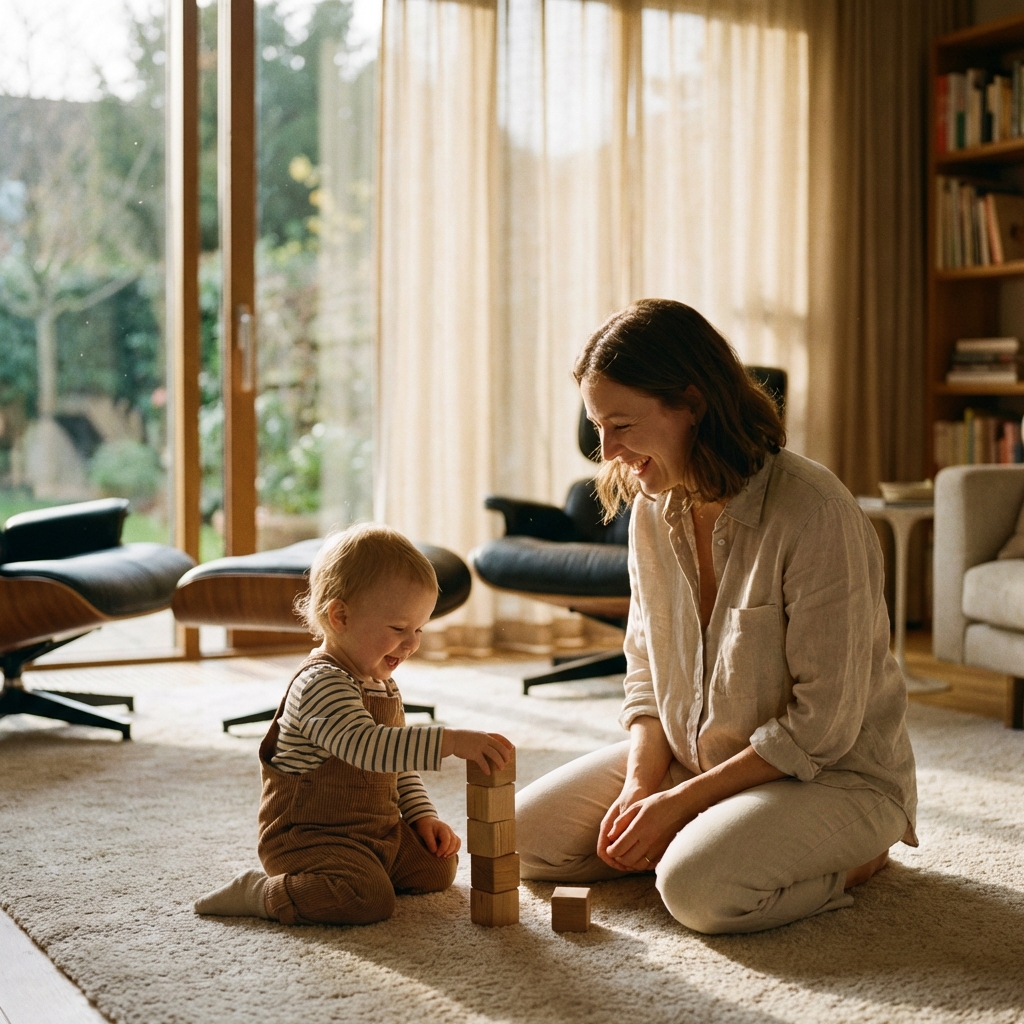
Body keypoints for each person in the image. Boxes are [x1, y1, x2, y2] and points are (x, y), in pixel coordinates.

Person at [516, 298, 918, 935]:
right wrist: (642, 785)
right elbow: (645, 669)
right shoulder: (652, 508)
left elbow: (822, 726)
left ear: (692, 405)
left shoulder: (815, 513)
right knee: (524, 841)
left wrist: (681, 804)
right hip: (694, 757)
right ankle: (718, 834)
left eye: (620, 425)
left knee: (698, 892)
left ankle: (856, 859)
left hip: (832, 776)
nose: (606, 450)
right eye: (598, 426)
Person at [195, 524, 511, 925]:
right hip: (310, 838)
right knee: (367, 900)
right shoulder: (320, 683)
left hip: (376, 832)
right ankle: (261, 892)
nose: (412, 643)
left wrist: (422, 816)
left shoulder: (381, 683)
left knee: (437, 868)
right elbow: (368, 747)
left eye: (418, 629)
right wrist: (450, 741)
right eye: (398, 629)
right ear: (340, 616)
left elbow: (398, 764)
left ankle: (368, 866)